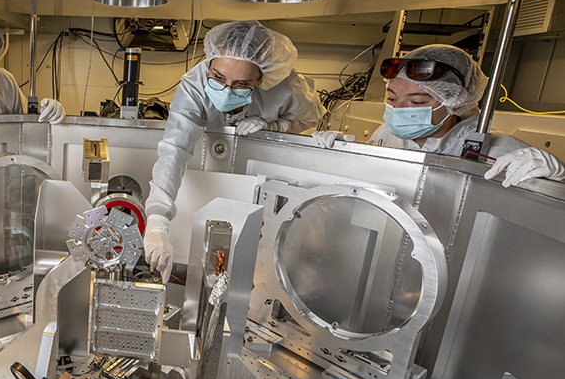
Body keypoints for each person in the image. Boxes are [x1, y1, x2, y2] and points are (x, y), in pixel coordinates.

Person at [143, 20, 326, 282]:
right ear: (209, 64)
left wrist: (275, 125)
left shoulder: (286, 87)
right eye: (218, 77)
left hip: (259, 183)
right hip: (205, 177)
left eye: (241, 83)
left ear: (262, 78)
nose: (226, 90)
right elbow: (175, 149)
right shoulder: (195, 85)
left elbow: (308, 121)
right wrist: (158, 221)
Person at [311, 44, 565, 188]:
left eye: (417, 101)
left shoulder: (500, 151)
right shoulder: (386, 135)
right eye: (391, 99)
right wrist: (340, 154)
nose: (397, 110)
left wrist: (558, 176)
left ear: (455, 102)